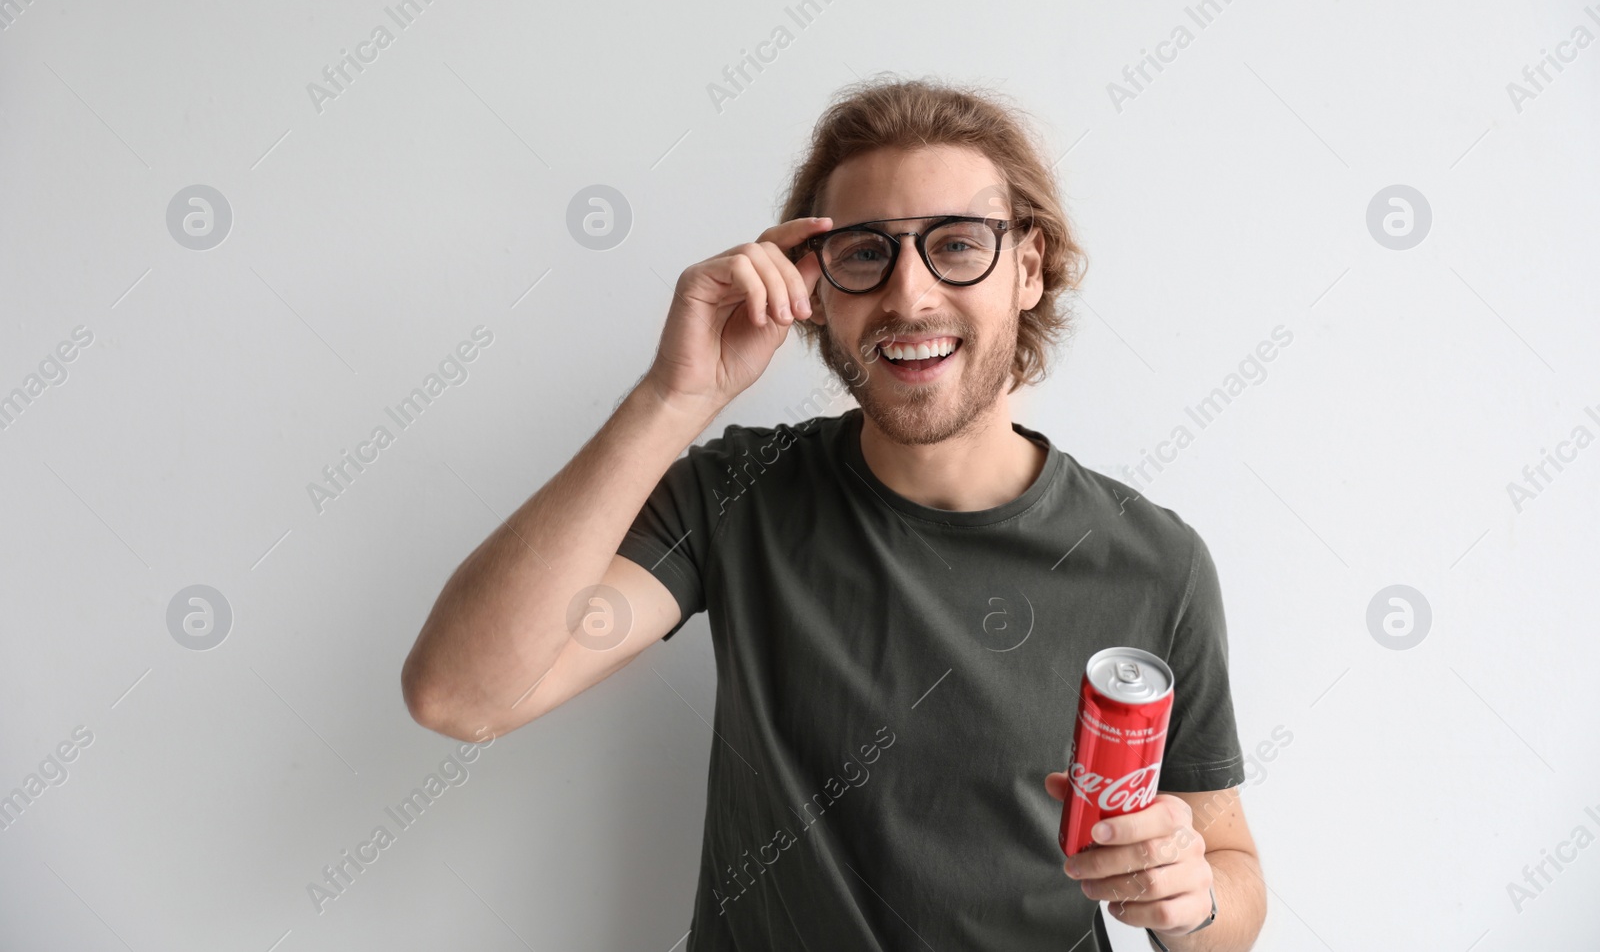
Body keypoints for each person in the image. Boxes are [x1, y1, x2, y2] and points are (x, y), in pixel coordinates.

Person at [401, 77, 1266, 951]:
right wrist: (675, 396)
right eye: (865, 253)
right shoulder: (741, 494)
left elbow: (1232, 874)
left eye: (957, 245)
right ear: (813, 286)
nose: (910, 295)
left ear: (1028, 269)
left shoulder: (1153, 560)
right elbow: (461, 695)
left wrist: (1189, 898)